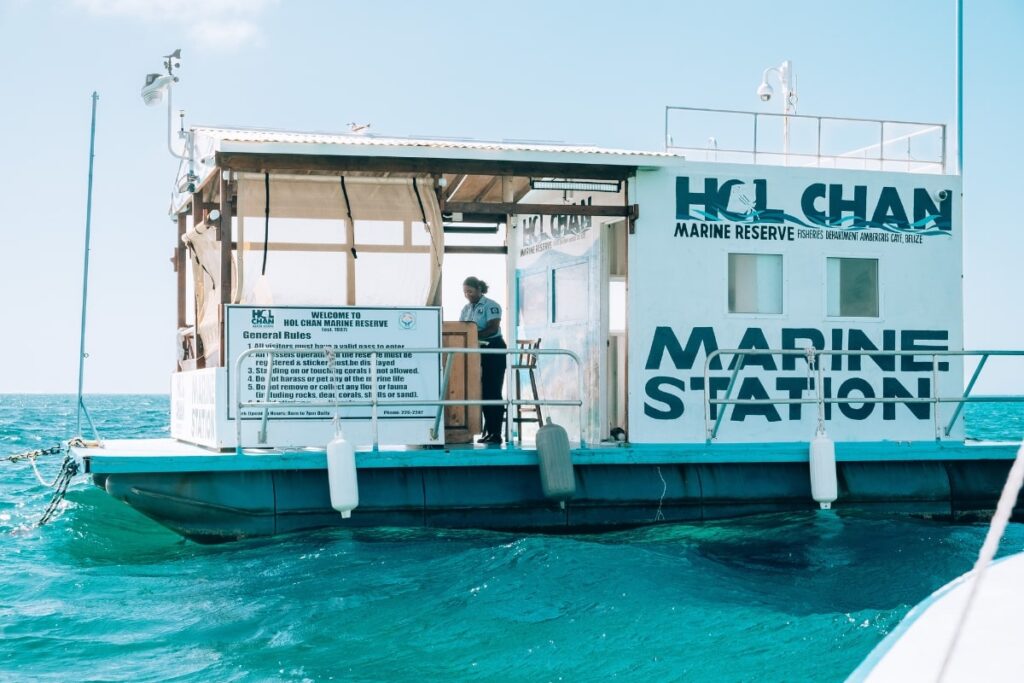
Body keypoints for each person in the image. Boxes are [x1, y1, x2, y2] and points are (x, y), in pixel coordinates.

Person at [459, 276, 506, 444]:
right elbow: (460, 328)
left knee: (493, 391)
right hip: (476, 351)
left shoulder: (491, 306)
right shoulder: (466, 308)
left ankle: (496, 432)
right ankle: (488, 432)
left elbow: (492, 328)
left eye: (470, 291)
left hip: (493, 350)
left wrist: (472, 337)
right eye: (465, 292)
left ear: (479, 289)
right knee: (482, 392)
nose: (467, 295)